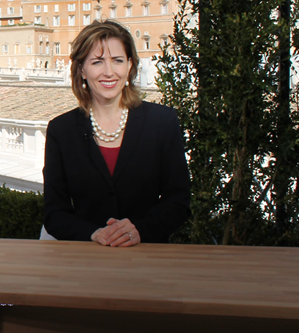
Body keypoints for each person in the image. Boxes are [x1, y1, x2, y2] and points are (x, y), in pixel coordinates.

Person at [42, 20, 190, 246]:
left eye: (117, 60)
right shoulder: (61, 130)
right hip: (86, 263)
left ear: (129, 66)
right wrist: (94, 233)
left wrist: (140, 230)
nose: (109, 72)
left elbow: (179, 202)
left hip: (149, 261)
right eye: (97, 62)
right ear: (82, 69)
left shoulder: (163, 122)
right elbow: (54, 214)